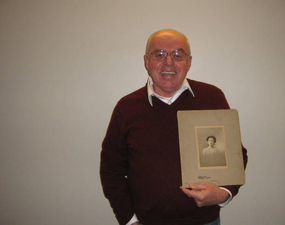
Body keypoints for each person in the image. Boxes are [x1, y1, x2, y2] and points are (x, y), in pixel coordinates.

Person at [100, 29, 248, 225]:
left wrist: (224, 194)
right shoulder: (127, 107)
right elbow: (111, 170)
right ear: (147, 61)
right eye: (159, 54)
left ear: (189, 62)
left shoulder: (212, 97)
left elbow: (236, 156)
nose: (168, 62)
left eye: (178, 55)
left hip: (205, 222)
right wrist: (129, 220)